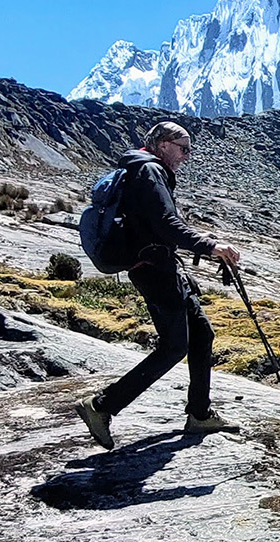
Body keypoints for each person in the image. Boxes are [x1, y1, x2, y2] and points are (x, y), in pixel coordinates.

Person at [74, 121, 243, 450]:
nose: (187, 156)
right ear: (163, 145)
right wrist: (211, 247)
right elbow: (167, 225)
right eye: (183, 148)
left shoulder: (141, 169)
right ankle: (101, 406)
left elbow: (161, 225)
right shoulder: (150, 171)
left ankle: (199, 414)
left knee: (202, 334)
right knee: (174, 347)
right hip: (155, 271)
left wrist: (203, 243)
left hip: (159, 267)